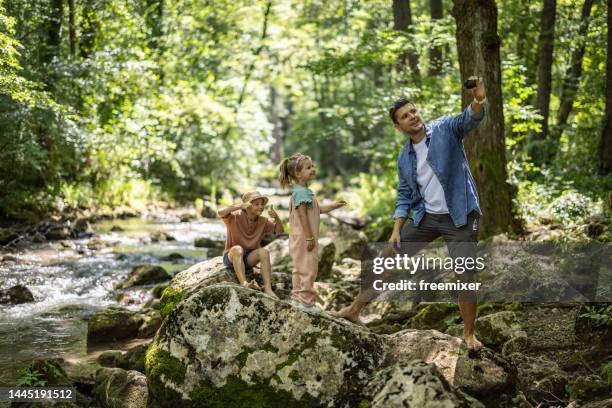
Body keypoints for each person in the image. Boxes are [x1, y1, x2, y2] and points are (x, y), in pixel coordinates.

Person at [333, 76, 487, 349]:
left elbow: (470, 119)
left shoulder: (444, 129)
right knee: (386, 256)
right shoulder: (405, 157)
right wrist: (395, 229)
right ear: (398, 126)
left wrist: (478, 99)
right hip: (426, 218)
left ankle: (469, 335)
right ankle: (355, 309)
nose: (412, 117)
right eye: (405, 116)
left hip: (460, 216)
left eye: (413, 111)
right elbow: (405, 194)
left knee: (465, 273)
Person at [279, 153, 346, 313]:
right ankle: (307, 303)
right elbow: (302, 215)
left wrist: (334, 206)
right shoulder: (301, 193)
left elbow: (317, 209)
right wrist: (309, 237)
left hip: (298, 237)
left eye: (312, 166)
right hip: (304, 237)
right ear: (298, 173)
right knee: (308, 268)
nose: (313, 170)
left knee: (299, 268)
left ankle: (296, 298)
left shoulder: (302, 191)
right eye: (308, 167)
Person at [218, 191, 283, 299]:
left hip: (249, 258)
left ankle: (268, 289)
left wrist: (277, 218)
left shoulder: (263, 221)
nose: (261, 207)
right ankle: (244, 283)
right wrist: (239, 206)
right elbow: (220, 212)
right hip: (231, 256)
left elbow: (280, 230)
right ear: (247, 205)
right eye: (257, 204)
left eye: (262, 204)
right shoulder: (234, 217)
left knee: (264, 252)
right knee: (237, 249)